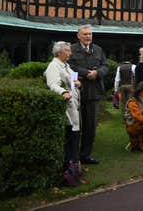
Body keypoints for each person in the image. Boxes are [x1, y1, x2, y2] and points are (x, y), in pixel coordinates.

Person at [68, 24, 108, 165]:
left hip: (94, 93)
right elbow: (70, 67)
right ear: (78, 36)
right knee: (75, 126)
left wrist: (97, 73)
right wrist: (86, 73)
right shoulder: (71, 50)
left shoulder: (98, 49)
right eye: (85, 34)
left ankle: (85, 156)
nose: (88, 36)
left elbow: (105, 66)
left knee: (90, 127)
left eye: (90, 34)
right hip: (77, 93)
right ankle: (73, 156)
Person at [44, 41, 82, 183]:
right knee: (69, 139)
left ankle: (74, 170)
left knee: (74, 139)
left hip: (75, 106)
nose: (70, 53)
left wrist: (78, 83)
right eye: (67, 50)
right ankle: (69, 173)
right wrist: (63, 91)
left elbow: (74, 82)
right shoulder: (53, 66)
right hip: (67, 107)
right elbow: (53, 84)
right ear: (59, 52)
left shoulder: (67, 66)